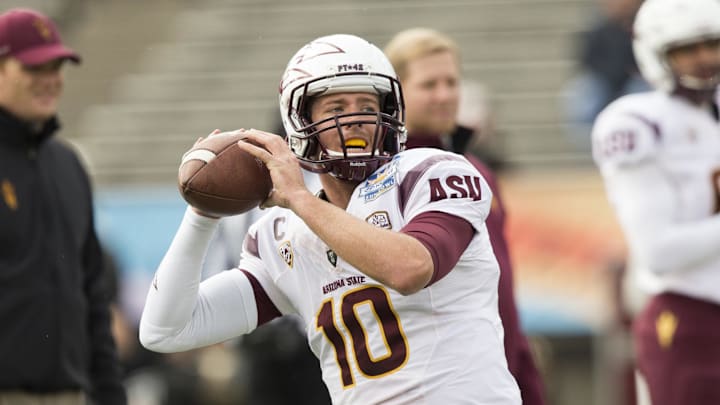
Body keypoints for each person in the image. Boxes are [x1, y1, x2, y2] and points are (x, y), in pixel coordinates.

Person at [139, 33, 521, 404]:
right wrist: (202, 214)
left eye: (367, 107)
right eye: (336, 108)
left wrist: (300, 199)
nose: (354, 120)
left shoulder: (431, 173)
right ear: (299, 121)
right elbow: (166, 330)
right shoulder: (282, 236)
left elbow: (410, 268)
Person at [384, 27, 546, 405]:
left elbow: (501, 287)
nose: (444, 95)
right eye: (429, 85)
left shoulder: (475, 168)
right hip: (436, 380)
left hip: (497, 369)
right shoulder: (384, 176)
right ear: (396, 93)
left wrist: (522, 365)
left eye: (451, 82)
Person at [591, 0, 720, 404]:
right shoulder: (637, 123)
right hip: (690, 318)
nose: (703, 58)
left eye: (711, 44)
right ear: (657, 53)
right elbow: (659, 251)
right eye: (686, 49)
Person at [0, 8, 126, 405]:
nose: (50, 80)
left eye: (56, 66)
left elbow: (92, 294)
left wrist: (111, 395)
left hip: (71, 395)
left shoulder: (68, 165)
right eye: (34, 68)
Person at [562, 0, 649, 151]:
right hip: (607, 83)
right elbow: (589, 62)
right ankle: (591, 138)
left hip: (634, 81)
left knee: (640, 87)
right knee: (583, 89)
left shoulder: (644, 28)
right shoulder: (596, 32)